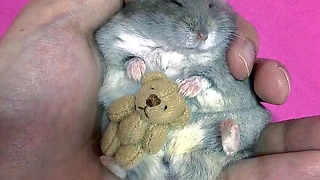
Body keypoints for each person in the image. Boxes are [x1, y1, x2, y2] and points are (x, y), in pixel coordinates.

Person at [0, 0, 319, 179]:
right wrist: (130, 61)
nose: (202, 31)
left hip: (198, 130)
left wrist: (204, 80)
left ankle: (225, 140)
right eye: (177, 4)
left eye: (210, 5)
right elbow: (112, 48)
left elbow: (227, 83)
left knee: (230, 118)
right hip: (140, 135)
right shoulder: (125, 28)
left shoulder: (221, 39)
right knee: (133, 150)